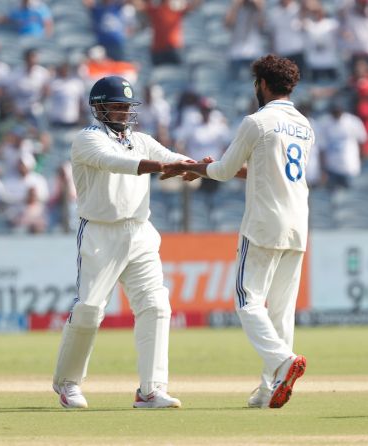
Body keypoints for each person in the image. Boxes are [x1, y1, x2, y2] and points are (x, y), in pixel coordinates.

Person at [162, 54, 310, 409]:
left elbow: (226, 171)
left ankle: (283, 363)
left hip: (263, 222)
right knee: (282, 311)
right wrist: (210, 168)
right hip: (298, 223)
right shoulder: (304, 125)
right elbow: (261, 170)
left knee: (247, 301)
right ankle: (268, 389)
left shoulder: (256, 121)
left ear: (261, 84)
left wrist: (199, 169)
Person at [52, 75, 192, 409]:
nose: (123, 113)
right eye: (116, 107)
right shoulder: (86, 139)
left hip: (140, 232)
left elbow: (173, 157)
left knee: (156, 305)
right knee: (88, 310)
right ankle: (68, 383)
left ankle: (151, 389)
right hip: (101, 232)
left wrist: (202, 167)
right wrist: (158, 166)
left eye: (127, 107)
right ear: (98, 107)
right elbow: (116, 163)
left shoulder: (141, 140)